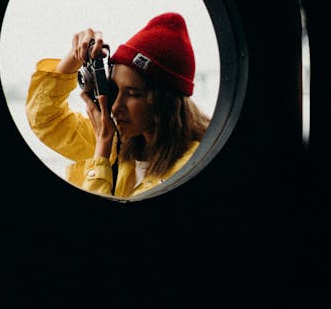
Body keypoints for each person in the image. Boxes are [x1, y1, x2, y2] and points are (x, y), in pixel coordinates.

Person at [25, 12, 210, 198]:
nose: (115, 107)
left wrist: (101, 155)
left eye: (133, 94)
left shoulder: (191, 167)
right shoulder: (119, 141)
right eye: (115, 90)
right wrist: (76, 57)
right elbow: (45, 118)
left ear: (166, 102)